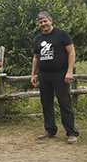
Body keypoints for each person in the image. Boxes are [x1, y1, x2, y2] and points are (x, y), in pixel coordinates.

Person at [31, 11, 79, 143]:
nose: (43, 24)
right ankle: (50, 130)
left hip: (61, 74)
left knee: (64, 103)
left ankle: (71, 133)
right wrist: (34, 74)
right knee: (46, 103)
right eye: (40, 22)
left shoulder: (62, 35)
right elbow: (36, 58)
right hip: (44, 75)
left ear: (51, 20)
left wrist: (69, 71)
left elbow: (71, 52)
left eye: (45, 21)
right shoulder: (38, 39)